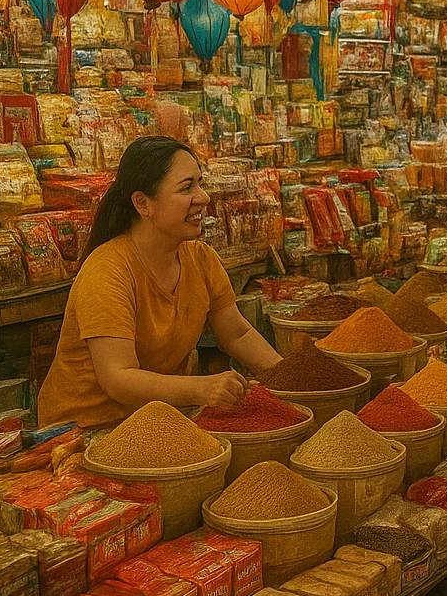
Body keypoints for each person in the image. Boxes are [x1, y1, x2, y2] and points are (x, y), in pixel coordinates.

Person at [37, 137, 282, 427]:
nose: (203, 198)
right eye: (187, 187)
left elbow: (236, 334)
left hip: (153, 422)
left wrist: (288, 375)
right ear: (143, 203)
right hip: (85, 431)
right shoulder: (107, 271)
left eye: (200, 184)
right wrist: (202, 388)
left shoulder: (201, 259)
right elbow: (118, 378)